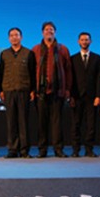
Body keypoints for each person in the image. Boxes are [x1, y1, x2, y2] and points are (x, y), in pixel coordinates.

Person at [31, 21, 72, 158]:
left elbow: (68, 70)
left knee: (57, 122)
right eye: (46, 29)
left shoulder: (62, 49)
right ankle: (42, 150)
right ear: (42, 32)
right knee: (41, 123)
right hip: (40, 92)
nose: (49, 31)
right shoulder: (36, 49)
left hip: (58, 91)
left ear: (55, 32)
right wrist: (33, 89)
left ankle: (58, 149)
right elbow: (31, 71)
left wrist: (67, 89)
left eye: (51, 29)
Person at [0, 27, 36, 158]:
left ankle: (24, 150)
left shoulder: (29, 53)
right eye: (12, 35)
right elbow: (1, 73)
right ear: (9, 38)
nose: (14, 37)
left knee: (23, 121)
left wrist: (33, 90)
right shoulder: (4, 54)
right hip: (8, 90)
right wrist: (1, 90)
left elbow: (32, 73)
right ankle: (13, 149)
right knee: (11, 121)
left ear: (21, 37)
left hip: (24, 90)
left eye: (16, 35)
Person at [69, 32, 100, 157]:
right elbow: (70, 79)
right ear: (78, 42)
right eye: (82, 40)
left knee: (91, 125)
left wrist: (98, 96)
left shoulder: (97, 58)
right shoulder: (73, 59)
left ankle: (89, 149)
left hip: (92, 97)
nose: (84, 42)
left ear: (90, 41)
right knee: (76, 124)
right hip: (76, 96)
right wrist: (71, 96)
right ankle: (76, 150)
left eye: (87, 39)